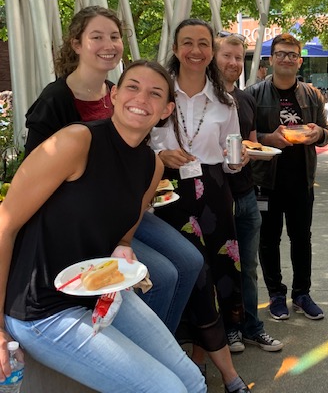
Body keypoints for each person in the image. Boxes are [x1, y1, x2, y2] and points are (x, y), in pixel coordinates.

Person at [1, 60, 206, 392]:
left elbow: (125, 232)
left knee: (193, 382)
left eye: (155, 94)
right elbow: (4, 226)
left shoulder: (151, 165)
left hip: (96, 292)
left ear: (167, 109)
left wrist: (124, 251)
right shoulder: (75, 141)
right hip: (40, 310)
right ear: (114, 94)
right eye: (132, 87)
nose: (142, 99)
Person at [22, 5, 202, 335]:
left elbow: (133, 152)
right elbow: (33, 175)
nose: (109, 43)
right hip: (79, 216)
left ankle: (162, 343)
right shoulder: (56, 99)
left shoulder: (116, 90)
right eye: (97, 36)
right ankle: (127, 345)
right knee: (162, 275)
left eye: (115, 36)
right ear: (76, 44)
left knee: (191, 261)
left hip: (126, 204)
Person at [150, 18, 250, 393]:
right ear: (175, 49)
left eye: (203, 44)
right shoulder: (159, 92)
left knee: (219, 269)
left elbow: (230, 152)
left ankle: (200, 357)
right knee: (189, 271)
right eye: (187, 43)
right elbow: (137, 139)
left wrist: (237, 161)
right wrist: (161, 154)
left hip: (214, 190)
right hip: (168, 191)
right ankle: (188, 356)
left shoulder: (225, 99)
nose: (195, 50)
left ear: (211, 51)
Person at [245, 33, 328, 321]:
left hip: (301, 181)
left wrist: (319, 133)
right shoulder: (253, 95)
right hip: (265, 181)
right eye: (280, 54)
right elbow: (246, 138)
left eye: (292, 55)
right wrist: (270, 138)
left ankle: (302, 294)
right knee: (268, 240)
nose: (286, 59)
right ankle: (276, 295)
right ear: (271, 59)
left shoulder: (312, 94)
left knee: (301, 238)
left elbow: (325, 132)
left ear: (299, 60)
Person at [214, 33, 283, 353]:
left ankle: (252, 326)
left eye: (238, 57)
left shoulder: (246, 99)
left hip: (246, 194)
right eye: (227, 55)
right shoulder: (204, 98)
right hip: (216, 197)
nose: (233, 62)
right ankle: (229, 329)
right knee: (224, 267)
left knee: (249, 266)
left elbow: (252, 142)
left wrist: (261, 147)